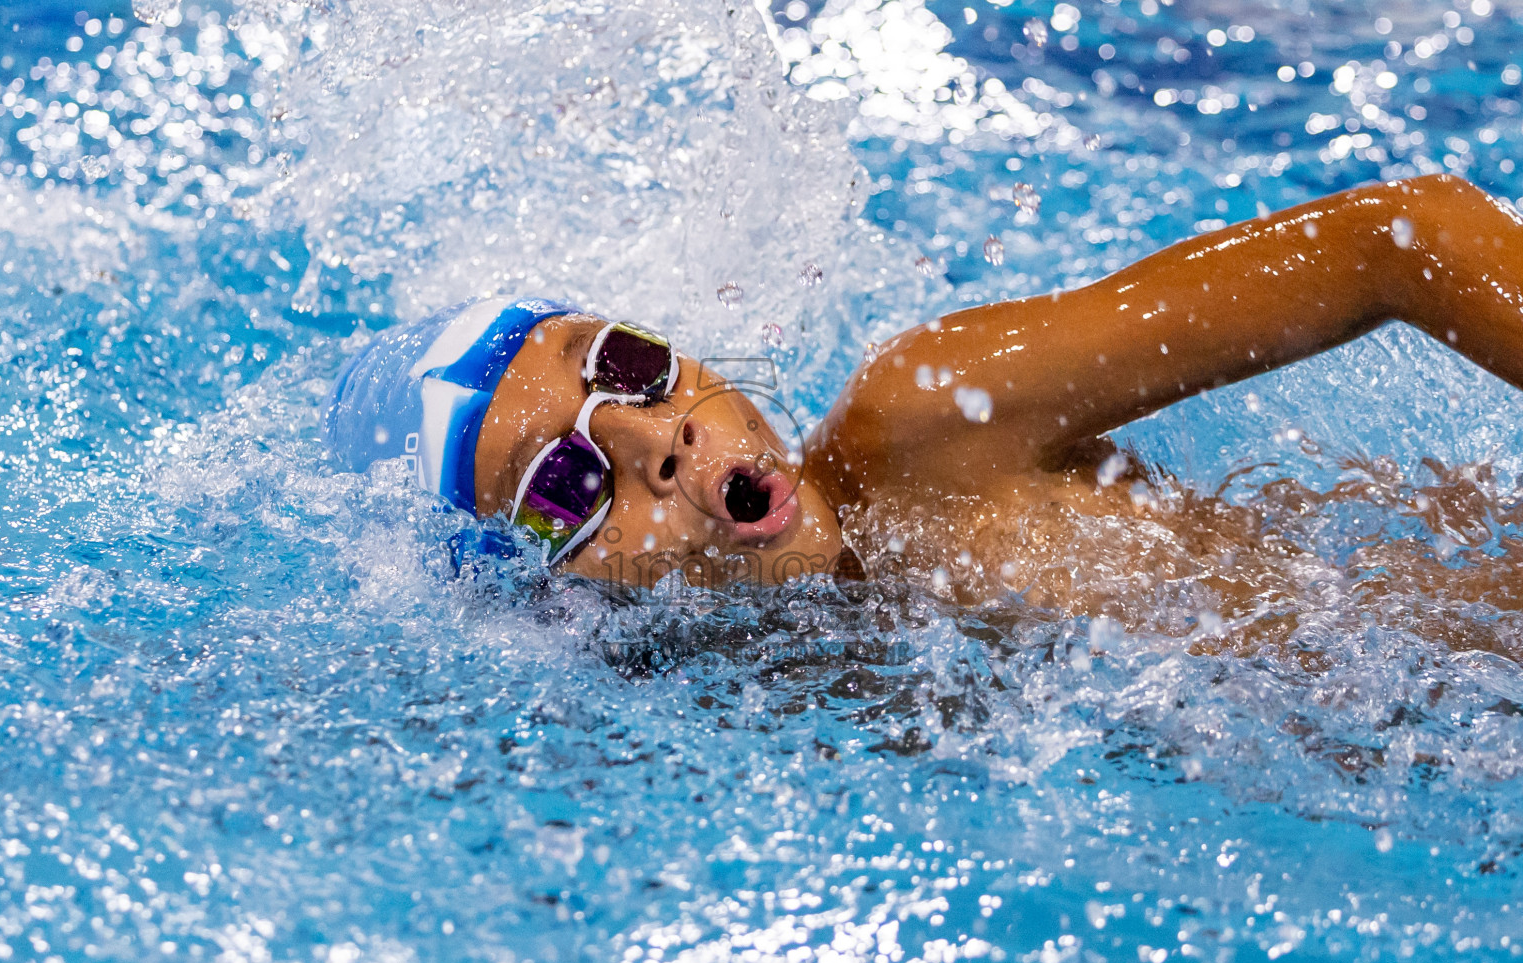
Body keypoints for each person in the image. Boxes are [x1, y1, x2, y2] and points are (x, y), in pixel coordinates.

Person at [323, 174, 1523, 610]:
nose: (666, 442)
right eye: (566, 481)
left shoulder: (932, 426)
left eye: (628, 366)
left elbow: (1403, 236)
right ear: (538, 598)